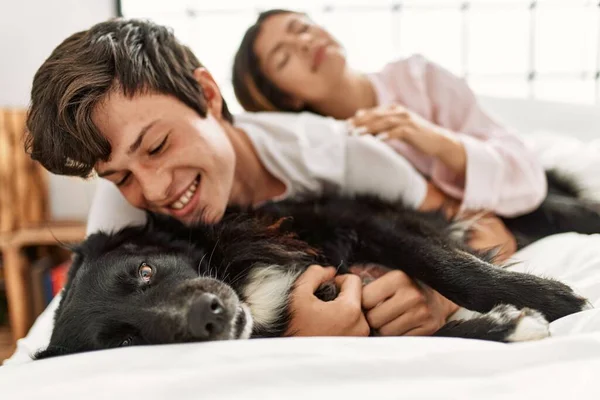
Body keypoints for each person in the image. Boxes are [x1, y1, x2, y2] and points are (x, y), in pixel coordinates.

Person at [21, 18, 479, 347]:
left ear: (208, 95)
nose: (155, 189)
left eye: (158, 145)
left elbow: (472, 222)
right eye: (119, 176)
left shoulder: (335, 151)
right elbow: (68, 332)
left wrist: (434, 294)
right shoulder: (122, 217)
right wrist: (286, 333)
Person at [231, 9, 547, 219]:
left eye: (301, 27)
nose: (303, 43)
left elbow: (528, 175)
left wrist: (437, 142)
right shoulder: (321, 155)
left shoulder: (419, 79)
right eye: (283, 58)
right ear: (287, 98)